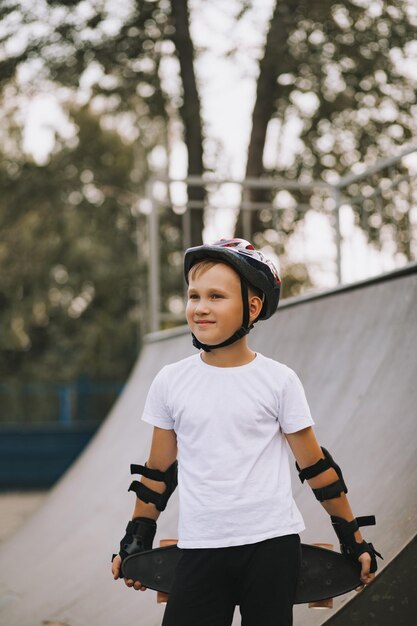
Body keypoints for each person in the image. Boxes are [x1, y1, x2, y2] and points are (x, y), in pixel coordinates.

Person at [111, 238, 380, 626]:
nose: (200, 307)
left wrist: (353, 541)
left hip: (271, 547)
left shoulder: (278, 381)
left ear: (252, 307)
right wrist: (135, 541)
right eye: (194, 296)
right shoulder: (171, 381)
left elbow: (318, 469)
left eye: (216, 296)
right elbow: (157, 473)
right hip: (201, 546)